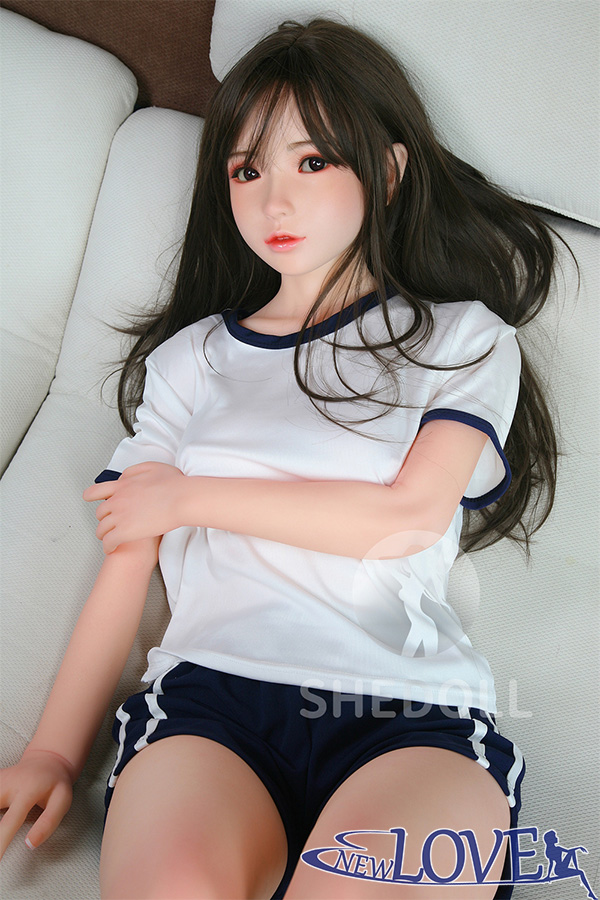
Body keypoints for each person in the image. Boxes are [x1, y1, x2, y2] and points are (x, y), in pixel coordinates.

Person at [0, 17, 570, 900]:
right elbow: (127, 558)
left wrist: (187, 497)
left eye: (313, 162)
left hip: (409, 715)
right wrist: (51, 751)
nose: (275, 203)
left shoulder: (462, 339)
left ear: (387, 172)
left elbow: (405, 517)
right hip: (211, 705)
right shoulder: (191, 361)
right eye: (247, 170)